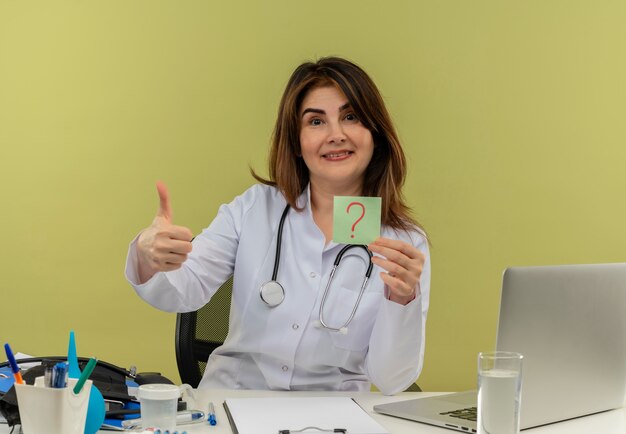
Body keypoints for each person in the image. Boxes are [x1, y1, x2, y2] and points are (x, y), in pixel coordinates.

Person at [125, 57, 430, 395]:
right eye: (316, 121)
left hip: (331, 415)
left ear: (375, 133)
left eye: (351, 116)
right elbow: (184, 289)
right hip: (233, 402)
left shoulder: (404, 245)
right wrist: (148, 256)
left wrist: (403, 300)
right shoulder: (255, 208)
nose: (335, 135)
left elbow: (392, 379)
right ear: (297, 142)